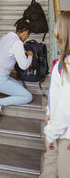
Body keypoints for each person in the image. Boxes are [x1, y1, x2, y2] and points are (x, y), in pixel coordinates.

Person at [0, 17, 33, 121]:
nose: (26, 38)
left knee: (20, 87)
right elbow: (24, 65)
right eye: (27, 35)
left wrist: (22, 50)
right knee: (28, 97)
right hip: (0, 79)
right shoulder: (18, 43)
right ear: (25, 33)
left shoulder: (6, 36)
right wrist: (30, 56)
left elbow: (7, 52)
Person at [41, 11, 70, 178]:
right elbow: (57, 96)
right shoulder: (61, 65)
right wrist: (48, 111)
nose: (54, 28)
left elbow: (66, 109)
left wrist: (50, 135)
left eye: (56, 24)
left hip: (64, 137)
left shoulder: (64, 67)